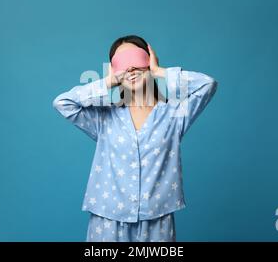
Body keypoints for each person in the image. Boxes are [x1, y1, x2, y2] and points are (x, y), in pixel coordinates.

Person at [52, 35, 218, 242]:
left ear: (149, 61)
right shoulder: (104, 118)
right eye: (121, 63)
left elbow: (207, 85)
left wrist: (160, 72)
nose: (130, 69)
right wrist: (108, 81)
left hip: (157, 219)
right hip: (108, 220)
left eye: (136, 60)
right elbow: (62, 103)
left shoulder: (174, 115)